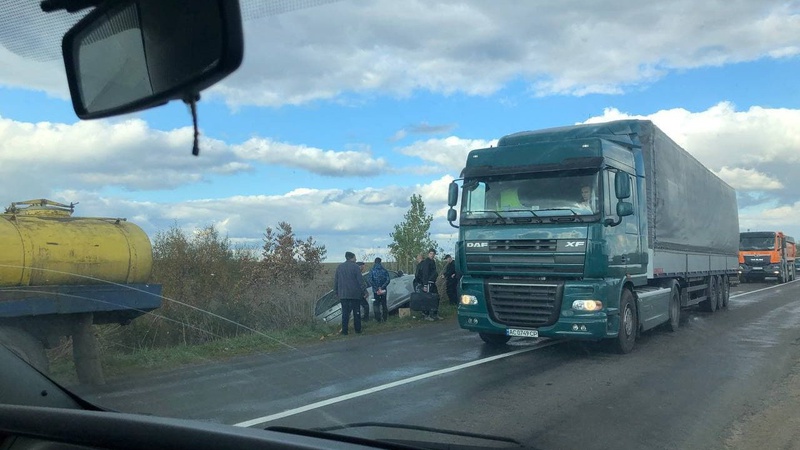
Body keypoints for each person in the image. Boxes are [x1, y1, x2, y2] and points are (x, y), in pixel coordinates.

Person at [333, 251, 367, 335]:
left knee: (345, 313)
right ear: (352, 257)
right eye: (355, 257)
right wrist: (364, 291)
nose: (356, 259)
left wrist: (336, 292)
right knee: (356, 312)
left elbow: (336, 281)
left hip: (343, 294)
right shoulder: (355, 267)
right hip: (354, 294)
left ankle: (345, 331)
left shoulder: (339, 267)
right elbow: (360, 280)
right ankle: (358, 330)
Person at [417, 249, 440, 321]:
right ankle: (426, 315)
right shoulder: (426, 262)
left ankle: (434, 314)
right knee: (427, 298)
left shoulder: (433, 261)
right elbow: (425, 274)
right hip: (428, 282)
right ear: (428, 254)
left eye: (433, 254)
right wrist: (425, 285)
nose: (432, 255)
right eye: (431, 253)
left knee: (436, 297)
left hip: (433, 282)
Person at [368, 257, 390, 322]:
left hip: (376, 291)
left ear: (375, 262)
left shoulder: (372, 270)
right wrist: (382, 287)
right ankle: (385, 318)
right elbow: (388, 280)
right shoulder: (384, 270)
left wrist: (377, 288)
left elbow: (370, 280)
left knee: (376, 304)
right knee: (384, 303)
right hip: (383, 290)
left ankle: (378, 318)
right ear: (380, 262)